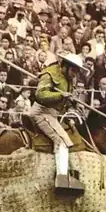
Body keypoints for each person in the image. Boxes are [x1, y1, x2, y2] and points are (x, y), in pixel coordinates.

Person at [30, 53, 85, 195]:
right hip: (42, 111)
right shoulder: (49, 74)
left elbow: (66, 99)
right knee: (61, 141)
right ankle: (61, 180)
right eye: (73, 70)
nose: (75, 74)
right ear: (65, 66)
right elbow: (40, 94)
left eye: (77, 71)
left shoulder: (69, 78)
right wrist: (60, 95)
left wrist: (73, 104)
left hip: (54, 113)